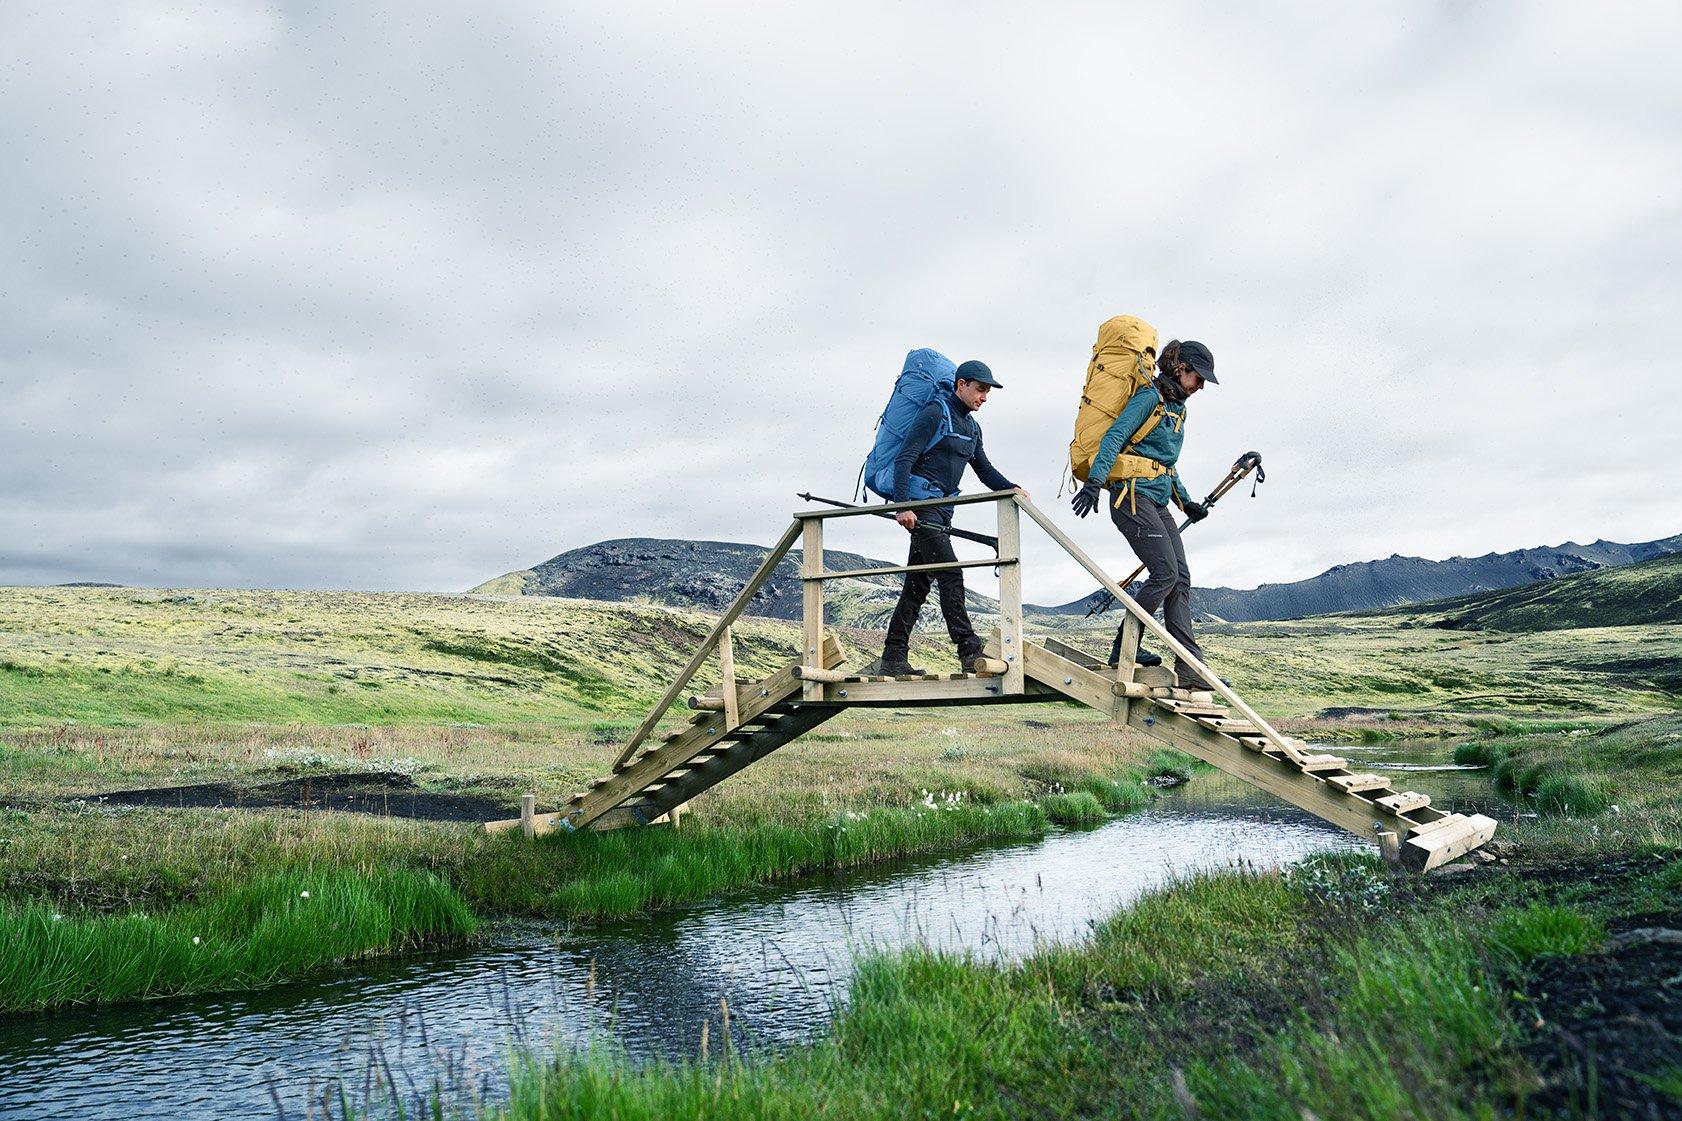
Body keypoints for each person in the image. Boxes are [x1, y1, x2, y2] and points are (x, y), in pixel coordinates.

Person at [1070, 340, 1217, 689]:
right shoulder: (1150, 398)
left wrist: (1187, 502)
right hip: (1130, 499)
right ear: (1180, 368)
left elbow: (1165, 465)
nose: (1200, 386)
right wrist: (1094, 482)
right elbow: (1114, 438)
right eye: (1198, 378)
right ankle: (1125, 648)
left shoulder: (1178, 409)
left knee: (1180, 577)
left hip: (1157, 501)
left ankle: (1190, 669)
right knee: (1164, 573)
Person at [880, 360, 1029, 676]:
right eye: (979, 389)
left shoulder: (972, 428)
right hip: (921, 506)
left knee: (917, 585)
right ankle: (969, 651)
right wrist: (903, 506)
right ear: (960, 384)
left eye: (987, 392)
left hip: (943, 510)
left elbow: (985, 470)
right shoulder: (934, 413)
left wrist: (1012, 488)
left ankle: (893, 657)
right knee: (952, 574)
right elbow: (904, 459)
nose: (984, 397)